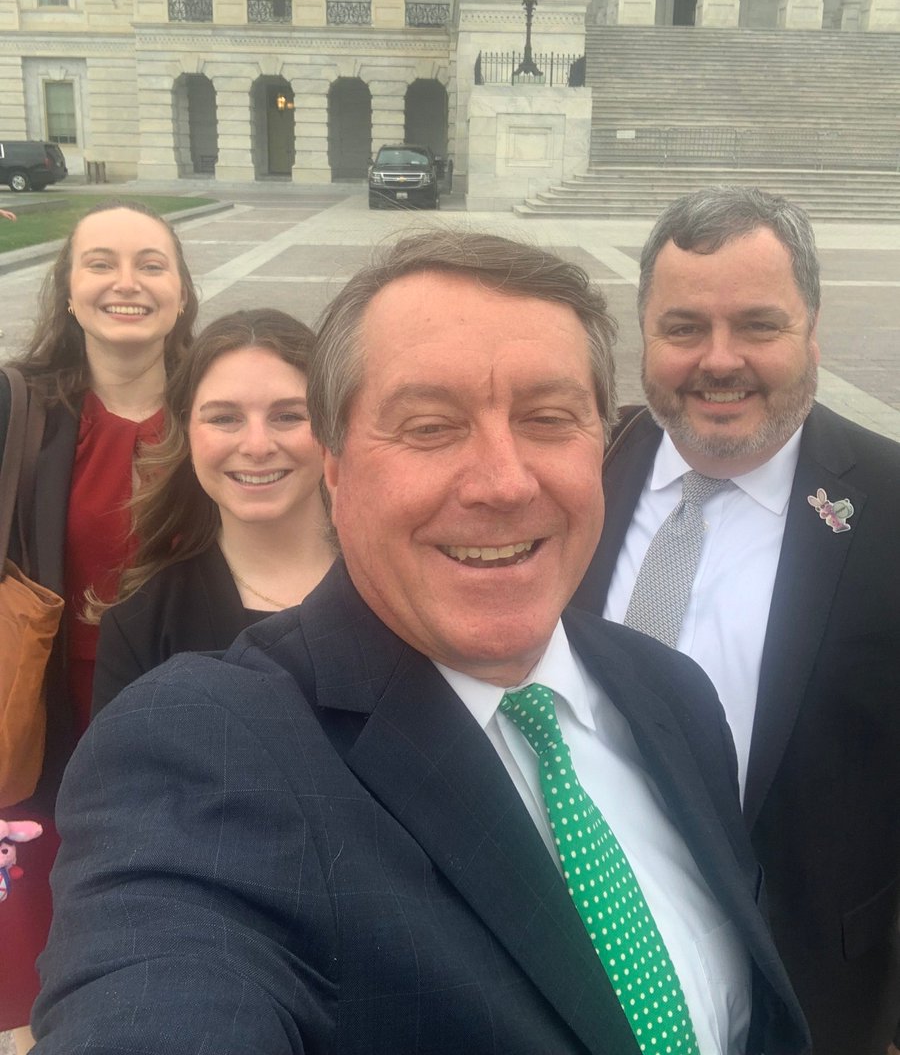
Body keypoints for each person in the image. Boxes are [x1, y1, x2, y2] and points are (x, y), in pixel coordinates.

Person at [31, 232, 808, 1055]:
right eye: (431, 427)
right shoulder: (203, 745)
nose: (505, 482)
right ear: (334, 467)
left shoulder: (672, 692)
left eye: (549, 418)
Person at [572, 186, 900, 1055]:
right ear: (645, 333)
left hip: (812, 991)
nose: (720, 360)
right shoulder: (570, 479)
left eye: (759, 325)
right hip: (577, 961)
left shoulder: (893, 508)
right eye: (683, 329)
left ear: (812, 330)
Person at [0, 200, 197, 1049]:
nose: (128, 282)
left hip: (179, 708)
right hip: (48, 714)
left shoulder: (218, 412)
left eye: (152, 264)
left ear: (183, 294)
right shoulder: (22, 412)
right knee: (33, 929)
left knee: (167, 912)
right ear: (69, 291)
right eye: (102, 263)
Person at [91, 308, 334, 716]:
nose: (257, 445)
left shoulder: (397, 586)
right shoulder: (140, 627)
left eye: (288, 415)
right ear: (187, 433)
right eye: (224, 418)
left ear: (330, 427)